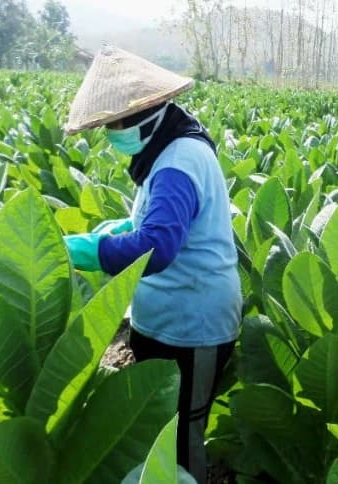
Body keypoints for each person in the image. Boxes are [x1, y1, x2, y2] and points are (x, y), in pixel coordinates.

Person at [61, 46, 242, 483]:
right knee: (153, 427)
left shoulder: (179, 160)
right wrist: (121, 227)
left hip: (194, 326)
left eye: (113, 124)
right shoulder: (168, 148)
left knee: (182, 436)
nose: (111, 133)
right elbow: (163, 218)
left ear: (144, 113)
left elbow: (157, 246)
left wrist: (90, 250)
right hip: (163, 321)